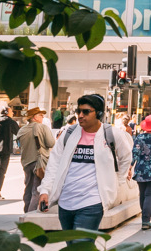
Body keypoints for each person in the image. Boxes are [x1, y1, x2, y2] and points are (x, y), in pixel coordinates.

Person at [38, 93, 132, 231]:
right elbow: (54, 164)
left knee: (81, 246)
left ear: (99, 114)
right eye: (78, 111)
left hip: (92, 203)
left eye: (86, 112)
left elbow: (126, 157)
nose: (80, 115)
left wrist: (118, 181)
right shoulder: (68, 133)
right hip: (65, 203)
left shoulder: (112, 134)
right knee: (72, 249)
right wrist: (45, 190)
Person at [18, 106, 54, 213]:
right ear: (34, 117)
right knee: (37, 190)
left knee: (28, 189)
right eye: (40, 115)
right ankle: (31, 215)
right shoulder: (42, 127)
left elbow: (19, 145)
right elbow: (51, 143)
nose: (42, 117)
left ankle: (26, 212)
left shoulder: (22, 130)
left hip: (26, 162)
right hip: (39, 163)